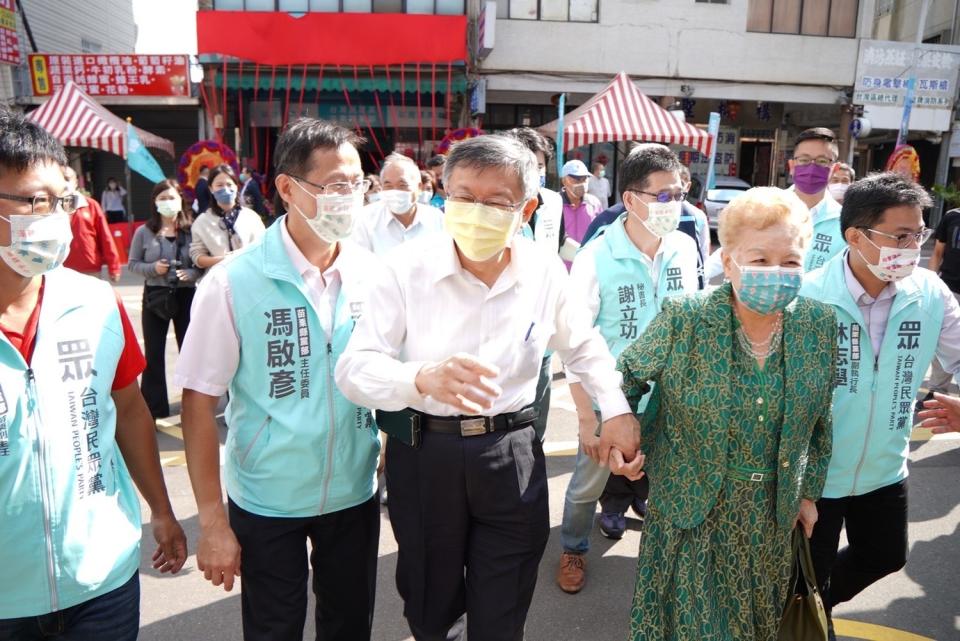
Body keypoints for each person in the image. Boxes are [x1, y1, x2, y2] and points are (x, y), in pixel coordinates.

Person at [335, 134, 643, 641]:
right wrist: (419, 378)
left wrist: (615, 410)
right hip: (425, 452)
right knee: (429, 600)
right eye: (462, 197)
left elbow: (583, 347)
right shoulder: (404, 269)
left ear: (524, 210)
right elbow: (354, 369)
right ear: (444, 197)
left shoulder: (543, 270)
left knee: (503, 603)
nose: (475, 211)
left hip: (510, 452)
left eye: (495, 201)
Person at [176, 118, 381, 641]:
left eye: (358, 183)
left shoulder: (372, 273)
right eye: (336, 185)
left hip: (354, 493)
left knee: (349, 625)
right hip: (267, 500)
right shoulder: (233, 281)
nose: (350, 197)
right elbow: (198, 402)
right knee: (274, 630)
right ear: (288, 188)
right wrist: (213, 521)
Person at [616, 186, 835, 640]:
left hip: (771, 518)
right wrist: (622, 436)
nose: (776, 272)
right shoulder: (687, 318)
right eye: (759, 260)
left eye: (791, 261)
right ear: (729, 261)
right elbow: (626, 377)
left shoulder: (818, 324)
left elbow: (819, 420)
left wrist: (808, 493)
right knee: (700, 630)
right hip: (692, 508)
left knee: (755, 626)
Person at [0, 108, 187, 638]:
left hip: (101, 580)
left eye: (64, 201)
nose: (56, 216)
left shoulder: (94, 302)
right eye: (37, 201)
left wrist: (163, 509)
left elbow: (128, 409)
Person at [799, 172, 960, 640]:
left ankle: (814, 605)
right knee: (809, 568)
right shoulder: (809, 296)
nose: (913, 246)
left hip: (886, 467)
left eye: (919, 233)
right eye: (901, 235)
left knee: (886, 555)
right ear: (856, 236)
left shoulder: (929, 293)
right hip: (818, 476)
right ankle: (807, 617)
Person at [557, 144, 699, 595]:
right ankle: (573, 548)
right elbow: (574, 344)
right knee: (587, 483)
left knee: (669, 483)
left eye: (678, 193)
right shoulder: (595, 258)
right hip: (609, 401)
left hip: (672, 397)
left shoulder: (684, 247)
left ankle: (666, 558)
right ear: (632, 198)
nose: (673, 204)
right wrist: (586, 419)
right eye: (662, 195)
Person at [504, 127, 568, 442]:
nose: (536, 172)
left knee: (537, 417)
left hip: (539, 324)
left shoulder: (554, 202)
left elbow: (561, 244)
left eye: (541, 166)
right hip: (500, 324)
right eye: (529, 164)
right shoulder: (497, 203)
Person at [127, 179, 200, 419]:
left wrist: (191, 274)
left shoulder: (192, 230)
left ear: (181, 199)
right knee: (154, 353)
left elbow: (201, 261)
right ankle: (154, 408)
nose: (167, 203)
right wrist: (153, 269)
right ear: (154, 203)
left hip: (186, 294)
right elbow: (133, 264)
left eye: (171, 198)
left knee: (190, 350)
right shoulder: (144, 231)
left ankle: (195, 404)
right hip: (155, 296)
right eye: (162, 199)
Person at [351, 153, 443, 256]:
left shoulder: (436, 219)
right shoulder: (364, 219)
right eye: (388, 186)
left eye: (402, 185)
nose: (395, 191)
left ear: (419, 187)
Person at [788, 127, 846, 271]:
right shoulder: (766, 208)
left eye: (822, 161)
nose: (812, 167)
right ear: (792, 165)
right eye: (804, 160)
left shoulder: (845, 222)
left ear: (835, 168)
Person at [189, 163, 265, 270]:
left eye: (229, 184)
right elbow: (197, 256)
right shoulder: (202, 222)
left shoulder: (251, 217)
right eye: (219, 185)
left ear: (236, 186)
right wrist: (223, 260)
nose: (225, 189)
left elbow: (263, 248)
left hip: (249, 278)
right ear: (211, 188)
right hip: (218, 281)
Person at [61, 166, 122, 282]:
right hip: (59, 269)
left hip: (89, 268)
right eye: (59, 179)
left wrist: (114, 267)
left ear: (75, 182)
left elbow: (105, 237)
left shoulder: (90, 205)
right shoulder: (48, 206)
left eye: (67, 179)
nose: (64, 183)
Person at [926, 203, 960, 397]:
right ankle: (937, 391)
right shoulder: (952, 216)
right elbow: (938, 252)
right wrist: (930, 283)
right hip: (950, 289)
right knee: (942, 342)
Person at [560, 159, 602, 260]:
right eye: (576, 179)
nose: (582, 183)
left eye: (584, 179)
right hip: (561, 268)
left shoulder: (594, 203)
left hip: (587, 266)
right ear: (564, 181)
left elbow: (601, 235)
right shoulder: (555, 203)